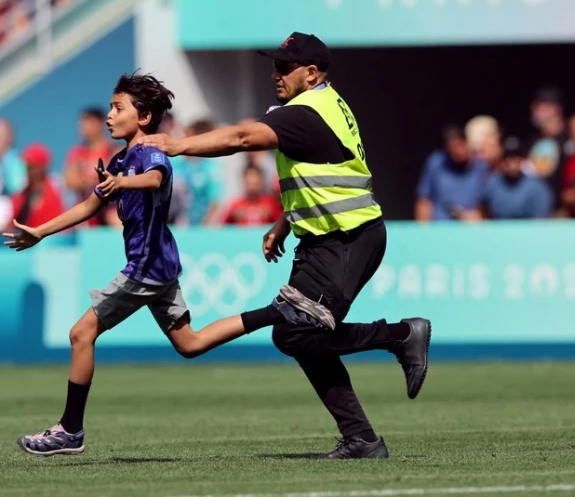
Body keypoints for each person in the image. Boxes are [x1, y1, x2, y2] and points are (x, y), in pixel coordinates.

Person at [138, 33, 430, 460]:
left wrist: (177, 145)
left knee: (295, 326)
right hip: (326, 237)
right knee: (297, 337)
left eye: (285, 66)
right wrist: (285, 221)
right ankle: (362, 440)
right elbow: (326, 170)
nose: (275, 73)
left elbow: (240, 138)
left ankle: (402, 335)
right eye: (274, 64)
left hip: (348, 238)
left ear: (311, 74)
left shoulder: (305, 112)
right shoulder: (321, 106)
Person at [4, 74, 314, 457]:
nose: (109, 115)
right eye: (110, 107)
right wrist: (40, 231)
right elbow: (89, 205)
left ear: (145, 117)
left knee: (80, 334)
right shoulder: (121, 160)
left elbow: (155, 178)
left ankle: (70, 430)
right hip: (160, 263)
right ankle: (277, 311)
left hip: (147, 266)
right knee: (190, 343)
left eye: (119, 108)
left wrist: (121, 184)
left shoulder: (148, 153)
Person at [415, 126, 490, 221]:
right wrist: (423, 231)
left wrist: (479, 215)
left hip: (471, 228)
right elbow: (424, 200)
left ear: (467, 142)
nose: (458, 152)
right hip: (439, 227)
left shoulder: (482, 165)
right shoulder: (436, 162)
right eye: (453, 148)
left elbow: (490, 202)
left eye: (460, 146)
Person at [482, 137, 553, 220]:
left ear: (523, 159)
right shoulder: (492, 183)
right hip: (497, 231)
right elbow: (482, 210)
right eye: (508, 157)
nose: (512, 163)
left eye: (516, 157)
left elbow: (540, 221)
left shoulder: (537, 187)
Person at [10, 143, 65, 230]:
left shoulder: (56, 192)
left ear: (42, 167)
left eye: (32, 166)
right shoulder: (20, 194)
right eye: (27, 166)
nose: (28, 169)